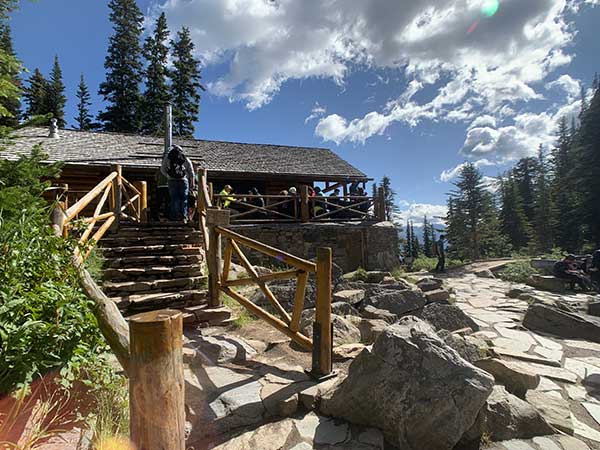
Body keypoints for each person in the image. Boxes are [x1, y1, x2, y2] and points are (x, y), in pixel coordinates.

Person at [161, 145, 194, 222]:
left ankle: (175, 216)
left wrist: (168, 176)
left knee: (174, 198)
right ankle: (183, 216)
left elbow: (162, 169)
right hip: (183, 180)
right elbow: (191, 171)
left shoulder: (168, 158)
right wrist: (192, 183)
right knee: (184, 198)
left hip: (171, 180)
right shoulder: (185, 158)